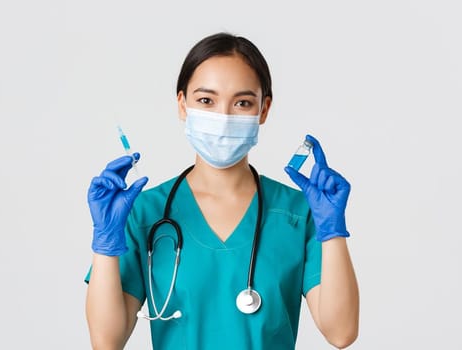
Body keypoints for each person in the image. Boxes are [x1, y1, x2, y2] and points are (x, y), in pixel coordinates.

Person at [84, 32, 359, 349]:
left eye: (242, 103)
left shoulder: (299, 213)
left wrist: (333, 230)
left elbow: (341, 332)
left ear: (264, 110)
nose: (224, 117)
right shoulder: (145, 213)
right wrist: (104, 240)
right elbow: (106, 341)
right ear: (182, 105)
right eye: (206, 100)